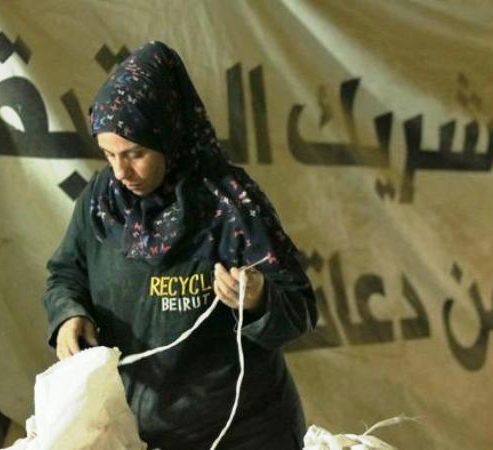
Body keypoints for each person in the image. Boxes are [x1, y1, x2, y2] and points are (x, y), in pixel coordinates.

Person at [41, 41, 317, 450]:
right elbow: (66, 273)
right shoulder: (100, 203)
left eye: (135, 154)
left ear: (168, 135)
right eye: (108, 154)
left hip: (243, 432)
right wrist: (69, 314)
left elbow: (301, 309)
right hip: (145, 431)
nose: (121, 172)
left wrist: (258, 299)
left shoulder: (229, 203)